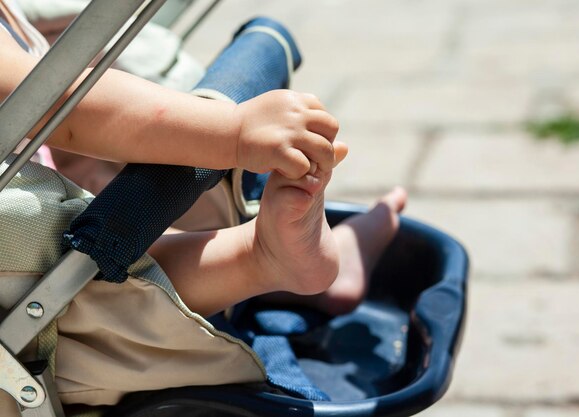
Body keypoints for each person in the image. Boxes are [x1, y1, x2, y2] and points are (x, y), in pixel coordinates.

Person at [0, 0, 408, 407]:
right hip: (43, 292)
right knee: (98, 264)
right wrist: (232, 133)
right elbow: (56, 106)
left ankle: (287, 267)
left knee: (97, 207)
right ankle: (260, 257)